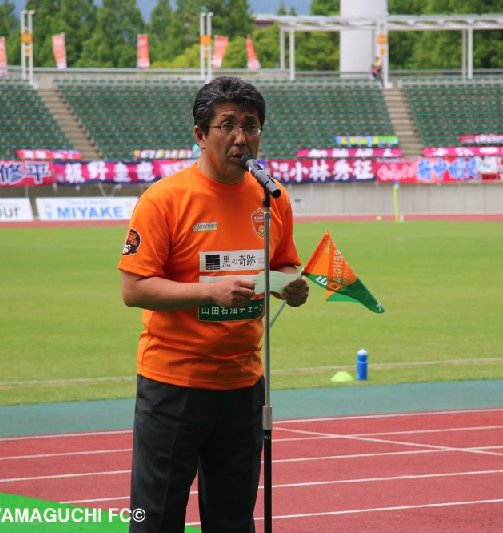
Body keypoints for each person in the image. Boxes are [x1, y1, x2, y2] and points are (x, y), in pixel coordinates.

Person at [118, 76, 309, 533]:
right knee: (155, 519)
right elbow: (134, 288)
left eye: (251, 125)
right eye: (227, 125)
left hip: (244, 385)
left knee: (232, 521)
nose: (241, 137)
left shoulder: (272, 197)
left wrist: (291, 286)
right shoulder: (164, 199)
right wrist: (209, 291)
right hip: (173, 385)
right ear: (201, 135)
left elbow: (284, 264)